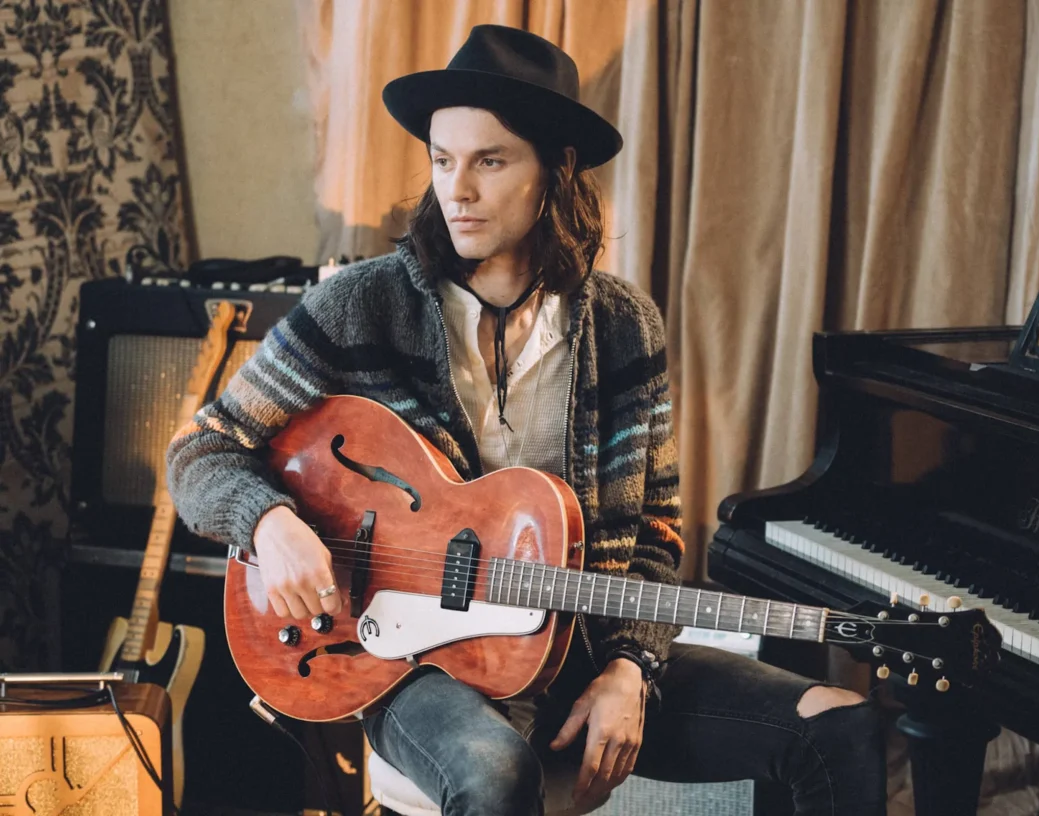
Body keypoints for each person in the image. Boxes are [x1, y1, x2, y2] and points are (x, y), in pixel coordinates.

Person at [166, 24, 886, 816]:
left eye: (490, 161)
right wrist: (268, 522)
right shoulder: (359, 306)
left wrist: (630, 669)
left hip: (580, 651)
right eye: (443, 161)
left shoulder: (623, 327)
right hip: (416, 665)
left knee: (840, 727)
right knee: (495, 774)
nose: (457, 190)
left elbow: (658, 530)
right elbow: (201, 450)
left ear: (556, 169)